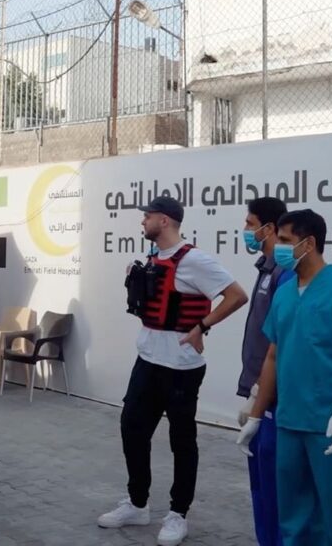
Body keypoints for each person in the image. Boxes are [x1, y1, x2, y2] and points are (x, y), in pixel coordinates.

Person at [98, 196, 247, 546]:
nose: (142, 221)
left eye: (147, 216)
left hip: (181, 367)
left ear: (164, 220)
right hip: (147, 359)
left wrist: (202, 326)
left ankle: (178, 514)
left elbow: (237, 296)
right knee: (132, 428)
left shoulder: (195, 260)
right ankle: (137, 503)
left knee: (182, 440)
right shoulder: (153, 258)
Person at [237, 209, 332, 546]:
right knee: (295, 519)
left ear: (309, 243)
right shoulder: (285, 293)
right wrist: (256, 416)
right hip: (290, 422)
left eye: (285, 240)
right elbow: (273, 355)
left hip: (331, 426)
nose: (278, 247)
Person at [237, 197, 289, 546]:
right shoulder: (266, 268)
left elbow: (278, 343)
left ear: (269, 228)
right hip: (259, 394)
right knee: (260, 485)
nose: (245, 230)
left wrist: (259, 394)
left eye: (250, 224)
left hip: (271, 399)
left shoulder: (285, 274)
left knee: (274, 487)